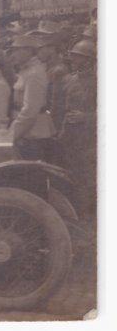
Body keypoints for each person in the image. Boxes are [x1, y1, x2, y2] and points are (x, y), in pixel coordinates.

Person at [60, 39, 97, 221]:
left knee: (88, 178)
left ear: (90, 60)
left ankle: (89, 217)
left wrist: (87, 117)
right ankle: (77, 215)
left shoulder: (100, 82)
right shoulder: (69, 79)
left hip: (90, 138)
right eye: (73, 56)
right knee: (72, 176)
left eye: (79, 57)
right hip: (70, 137)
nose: (73, 59)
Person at [7, 35, 55, 161]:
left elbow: (30, 110)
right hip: (26, 132)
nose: (13, 54)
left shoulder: (34, 73)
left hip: (32, 133)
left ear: (29, 51)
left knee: (31, 175)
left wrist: (12, 134)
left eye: (17, 50)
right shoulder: (26, 71)